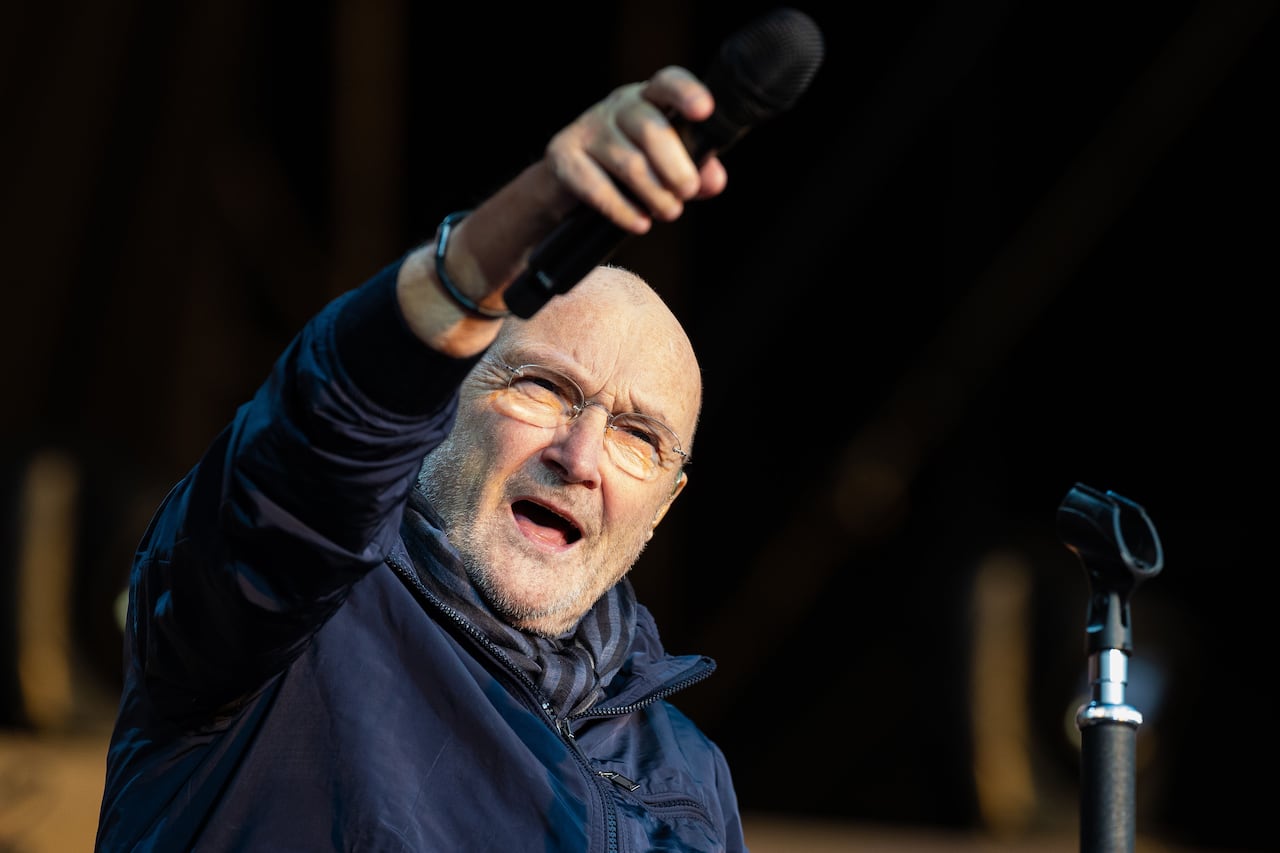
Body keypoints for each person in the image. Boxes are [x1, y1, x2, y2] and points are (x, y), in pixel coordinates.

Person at [94, 62, 747, 852]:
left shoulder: (689, 772)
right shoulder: (284, 612)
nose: (580, 456)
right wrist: (489, 251)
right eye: (543, 387)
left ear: (666, 502)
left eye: (638, 437)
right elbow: (314, 449)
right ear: (444, 399)